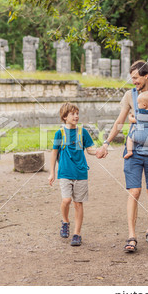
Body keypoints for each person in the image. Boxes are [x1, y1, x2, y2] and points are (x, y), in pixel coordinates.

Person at [96, 60, 148, 252]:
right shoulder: (129, 95)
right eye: (131, 78)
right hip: (133, 151)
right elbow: (120, 121)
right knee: (134, 191)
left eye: (135, 78)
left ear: (146, 75)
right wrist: (106, 143)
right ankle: (131, 235)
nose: (133, 81)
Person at [48, 102, 96, 247]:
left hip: (81, 173)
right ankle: (65, 221)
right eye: (72, 114)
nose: (76, 116)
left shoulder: (83, 132)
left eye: (77, 113)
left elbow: (90, 149)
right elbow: (54, 153)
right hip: (64, 173)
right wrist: (52, 173)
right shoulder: (60, 133)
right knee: (66, 200)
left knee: (78, 203)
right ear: (64, 116)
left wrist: (99, 151)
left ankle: (77, 234)